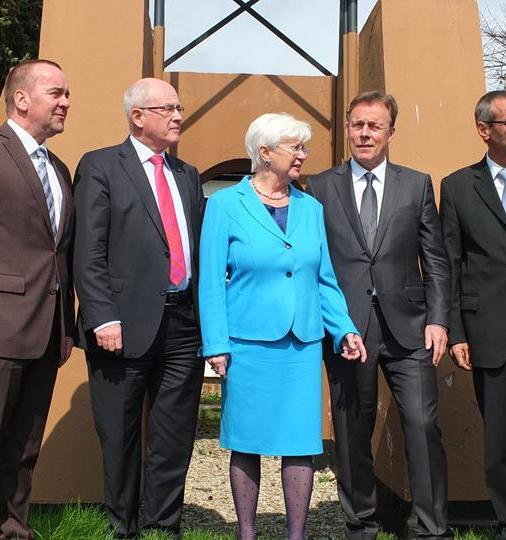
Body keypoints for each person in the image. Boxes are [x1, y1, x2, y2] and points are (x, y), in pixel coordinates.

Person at [199, 112, 366, 540]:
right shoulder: (223, 205)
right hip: (248, 343)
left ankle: (297, 534)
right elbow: (211, 281)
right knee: (246, 439)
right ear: (265, 152)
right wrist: (216, 343)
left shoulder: (311, 208)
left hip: (302, 344)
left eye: (303, 147)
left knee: (300, 442)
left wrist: (344, 329)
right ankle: (247, 533)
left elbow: (323, 278)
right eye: (296, 147)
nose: (303, 156)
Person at [307, 91, 452, 539]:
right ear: (347, 128)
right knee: (353, 430)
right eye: (357, 124)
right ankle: (361, 525)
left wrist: (439, 318)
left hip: (411, 326)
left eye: (374, 125)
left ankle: (432, 528)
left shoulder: (417, 184)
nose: (364, 133)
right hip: (348, 329)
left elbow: (436, 259)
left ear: (391, 131)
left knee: (423, 424)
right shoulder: (319, 187)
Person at [73, 78, 205, 539]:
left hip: (184, 323)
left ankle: (163, 524)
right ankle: (121, 527)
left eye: (179, 107)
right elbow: (87, 251)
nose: (177, 116)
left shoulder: (187, 174)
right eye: (167, 108)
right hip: (122, 324)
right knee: (121, 433)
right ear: (138, 116)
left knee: (174, 433)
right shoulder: (101, 166)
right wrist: (101, 316)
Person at [440, 90, 506, 540]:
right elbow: (450, 264)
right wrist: (457, 330)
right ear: (485, 130)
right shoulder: (459, 187)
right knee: (499, 439)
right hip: (488, 328)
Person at [0, 59, 74, 540]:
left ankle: (11, 526)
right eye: (57, 92)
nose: (67, 102)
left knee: (23, 443)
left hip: (47, 328)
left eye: (68, 94)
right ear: (22, 98)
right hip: (3, 324)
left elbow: (56, 249)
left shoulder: (59, 167)